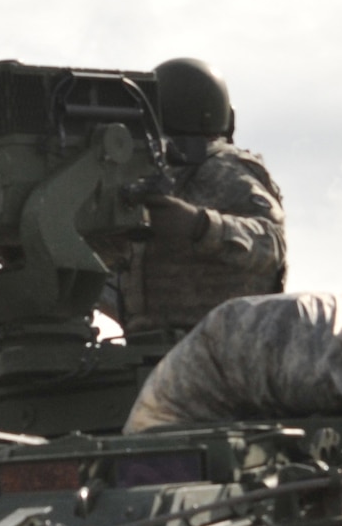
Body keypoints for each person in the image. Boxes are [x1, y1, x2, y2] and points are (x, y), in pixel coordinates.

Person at [101, 58, 287, 339]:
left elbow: (270, 244)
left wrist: (199, 226)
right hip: (151, 351)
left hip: (222, 351)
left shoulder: (223, 167)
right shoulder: (141, 174)